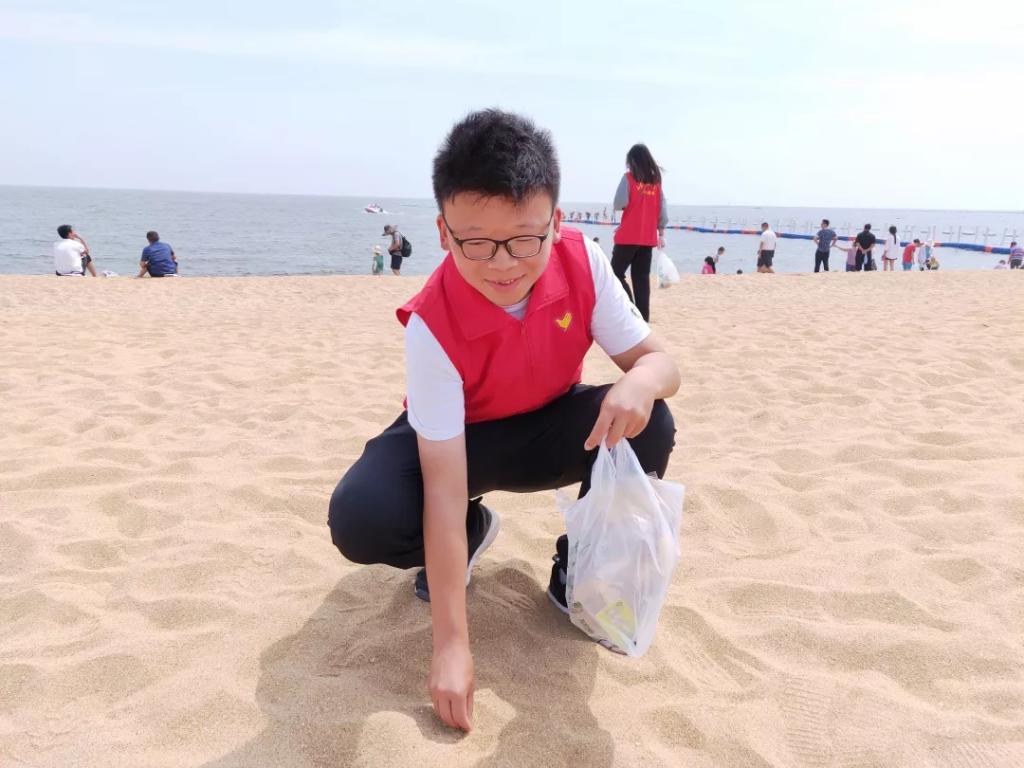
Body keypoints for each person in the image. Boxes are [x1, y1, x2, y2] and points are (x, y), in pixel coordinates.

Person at [327, 109, 680, 733]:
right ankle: (474, 532)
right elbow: (442, 483)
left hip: (550, 424)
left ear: (556, 222)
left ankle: (574, 572)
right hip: (461, 443)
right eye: (477, 243)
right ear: (443, 233)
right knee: (360, 516)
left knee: (650, 421)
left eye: (524, 239)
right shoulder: (432, 321)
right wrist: (451, 646)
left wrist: (639, 382)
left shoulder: (582, 261)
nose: (502, 263)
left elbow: (662, 364)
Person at [611, 143, 667, 321]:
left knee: (615, 274)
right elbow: (662, 211)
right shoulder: (656, 184)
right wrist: (661, 234)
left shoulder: (628, 178)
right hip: (647, 239)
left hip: (627, 237)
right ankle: (643, 318)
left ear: (633, 161)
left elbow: (619, 203)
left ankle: (631, 309)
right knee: (641, 279)